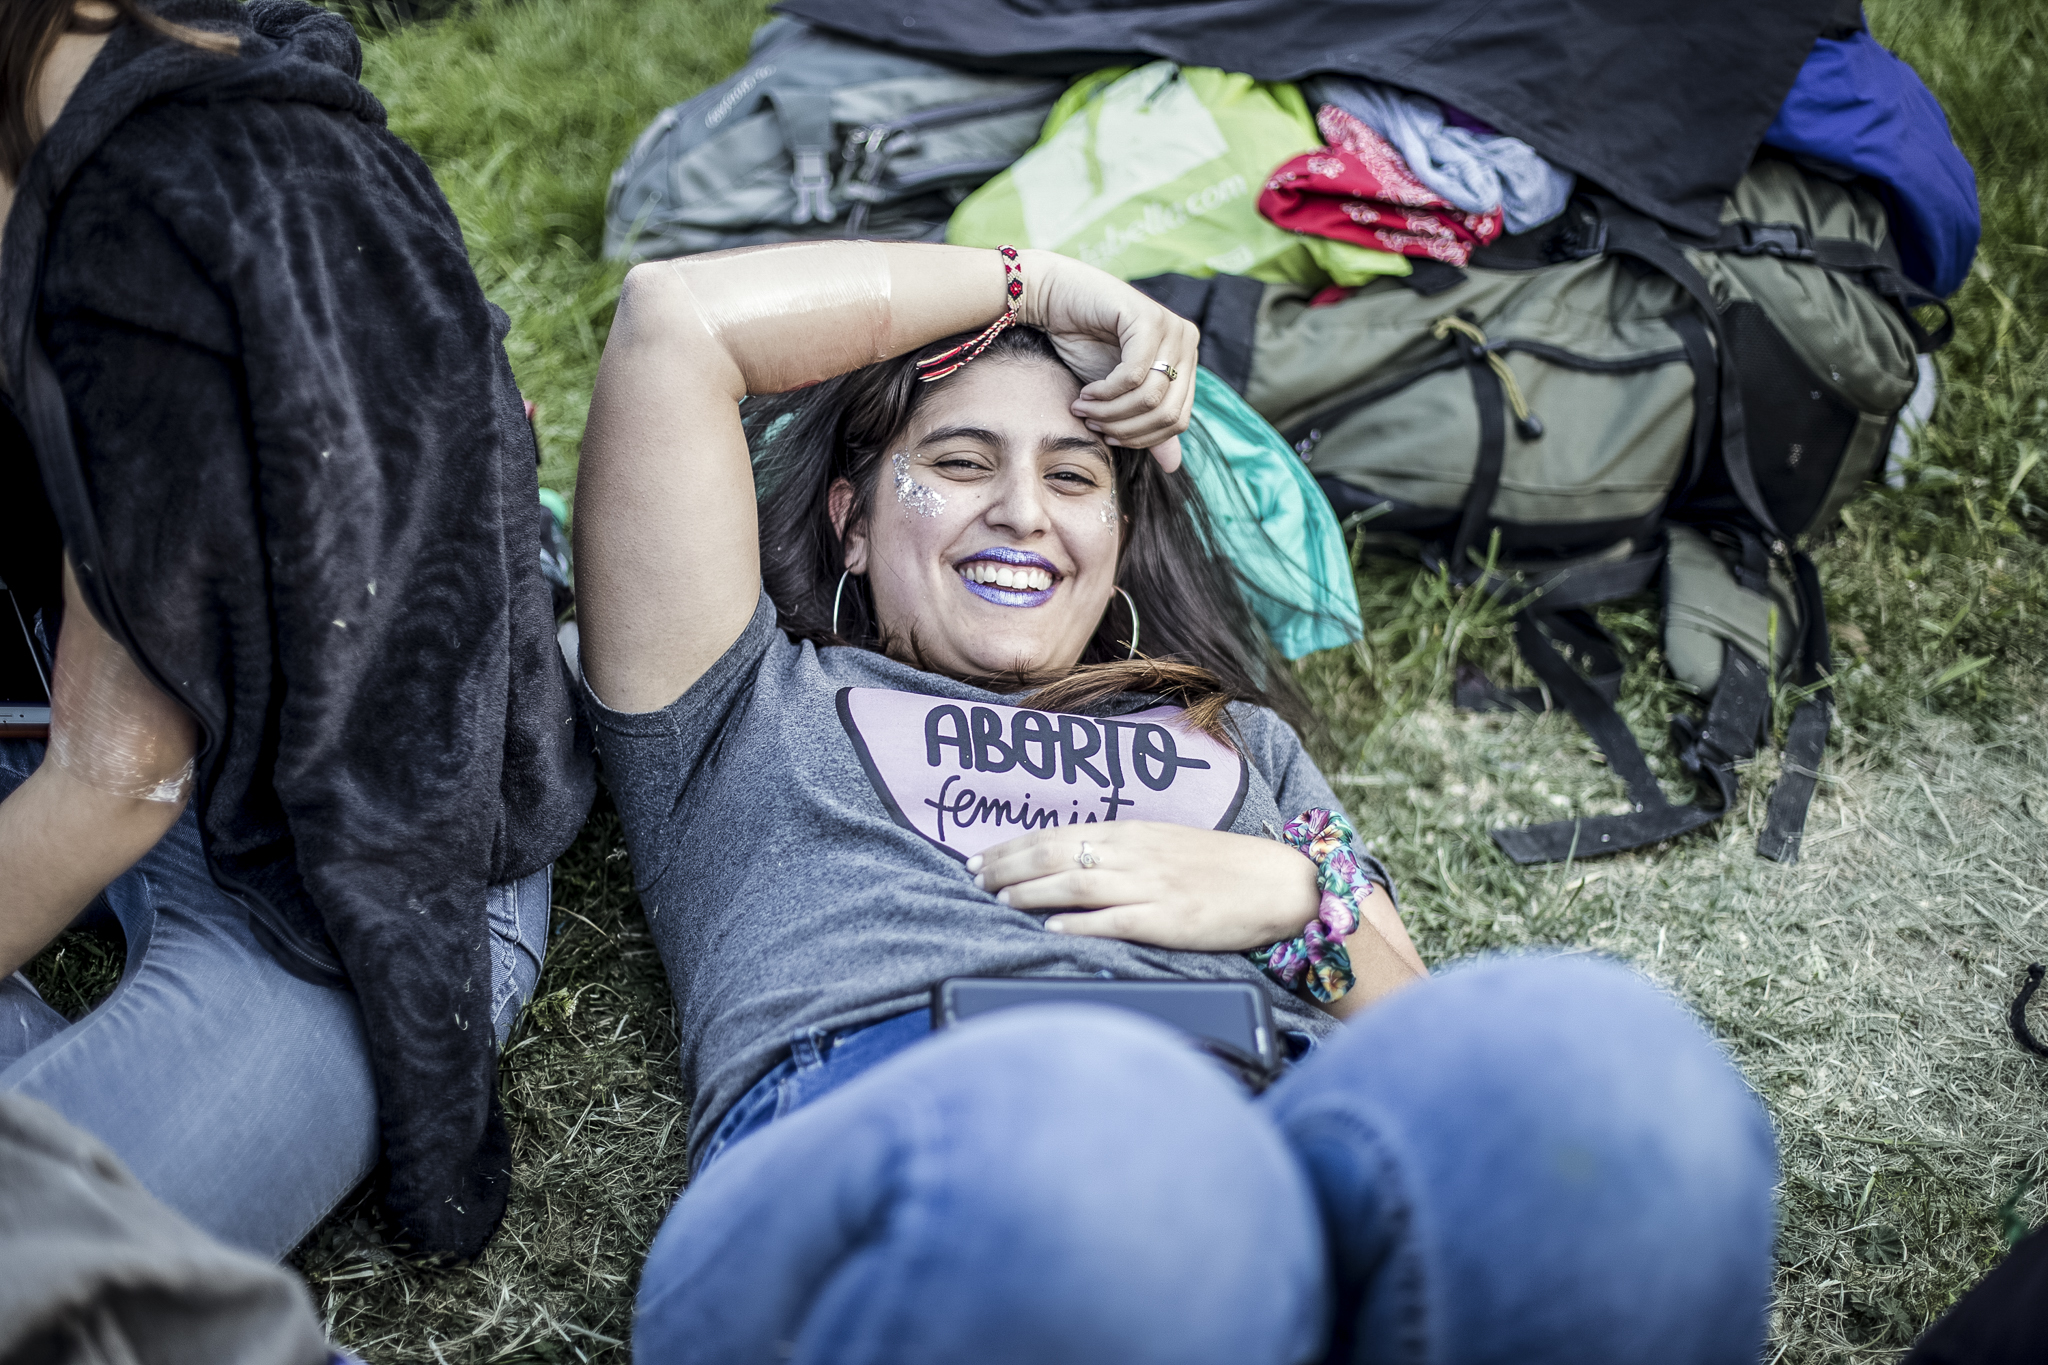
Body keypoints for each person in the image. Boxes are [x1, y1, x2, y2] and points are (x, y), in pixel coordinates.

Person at [574, 239, 1781, 1363]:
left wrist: (1295, 898)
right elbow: (675, 323)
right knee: (1128, 1135)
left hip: (1285, 1120)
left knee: (1611, 1069)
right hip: (930, 1140)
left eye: (1073, 475)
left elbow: (1416, 1035)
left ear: (1112, 538)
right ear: (850, 524)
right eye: (957, 461)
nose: (1024, 511)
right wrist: (1044, 287)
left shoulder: (1234, 741)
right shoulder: (740, 702)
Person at [0, 0, 592, 1260]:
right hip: (57, 729)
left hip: (350, 864)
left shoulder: (155, 237)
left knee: (30, 1262)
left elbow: (113, 785)